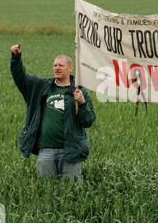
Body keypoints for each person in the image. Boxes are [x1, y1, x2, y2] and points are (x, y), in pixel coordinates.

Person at [10, 43, 96, 182]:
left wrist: (82, 103)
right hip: (46, 151)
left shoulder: (79, 91)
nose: (57, 68)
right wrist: (16, 57)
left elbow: (88, 121)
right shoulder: (41, 86)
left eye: (61, 65)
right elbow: (20, 77)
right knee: (46, 191)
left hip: (70, 150)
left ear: (70, 68)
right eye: (55, 65)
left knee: (72, 191)